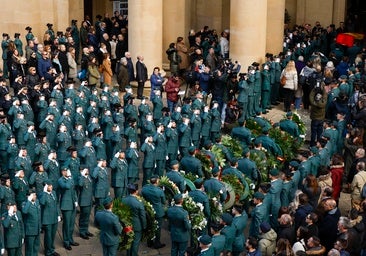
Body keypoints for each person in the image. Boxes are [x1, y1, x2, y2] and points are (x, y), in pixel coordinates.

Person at [141, 175, 166, 249]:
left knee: (150, 226)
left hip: (149, 210)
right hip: (158, 212)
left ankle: (149, 241)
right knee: (158, 228)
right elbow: (164, 201)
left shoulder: (144, 189)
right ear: (157, 181)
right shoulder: (159, 190)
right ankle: (157, 243)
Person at [122, 184, 147, 256]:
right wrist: (144, 226)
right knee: (136, 242)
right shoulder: (138, 202)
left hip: (127, 224)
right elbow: (142, 216)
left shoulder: (124, 200)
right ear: (136, 191)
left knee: (128, 240)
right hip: (137, 225)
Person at [58, 168, 79, 251]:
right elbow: (66, 187)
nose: (67, 172)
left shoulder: (70, 179)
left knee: (71, 224)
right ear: (62, 172)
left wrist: (76, 200)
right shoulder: (61, 180)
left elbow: (73, 191)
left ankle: (70, 239)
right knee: (66, 224)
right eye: (65, 171)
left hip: (72, 204)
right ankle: (66, 242)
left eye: (67, 171)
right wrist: (70, 177)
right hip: (66, 205)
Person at [39, 182, 61, 256]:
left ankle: (51, 249)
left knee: (52, 235)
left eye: (51, 185)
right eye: (49, 186)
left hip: (54, 217)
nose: (51, 187)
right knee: (48, 236)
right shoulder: (42, 194)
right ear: (45, 187)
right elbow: (42, 202)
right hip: (47, 219)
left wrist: (58, 214)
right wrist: (45, 192)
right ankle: (47, 251)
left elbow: (56, 204)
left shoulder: (53, 193)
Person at [22, 189, 41, 256]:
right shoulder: (25, 204)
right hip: (30, 230)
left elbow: (39, 215)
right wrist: (29, 201)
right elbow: (24, 211)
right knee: (29, 248)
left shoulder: (37, 202)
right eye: (33, 195)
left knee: (36, 246)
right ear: (28, 196)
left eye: (35, 195)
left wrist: (40, 227)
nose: (35, 196)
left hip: (37, 229)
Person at [77, 167, 94, 240]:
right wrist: (82, 175)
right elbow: (80, 185)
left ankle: (86, 230)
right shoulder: (80, 178)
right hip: (84, 201)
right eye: (85, 170)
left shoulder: (88, 177)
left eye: (87, 169)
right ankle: (82, 231)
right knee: (83, 217)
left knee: (87, 217)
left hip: (89, 200)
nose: (87, 171)